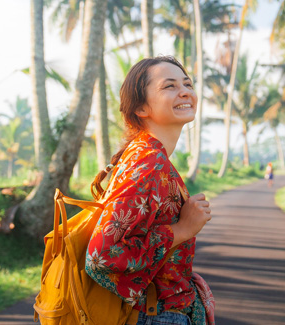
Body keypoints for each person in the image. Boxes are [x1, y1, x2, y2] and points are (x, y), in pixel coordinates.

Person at [86, 56, 214, 325]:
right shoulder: (149, 162)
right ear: (142, 108)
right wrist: (182, 229)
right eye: (169, 86)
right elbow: (102, 255)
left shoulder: (147, 154)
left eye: (187, 84)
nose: (185, 92)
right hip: (155, 316)